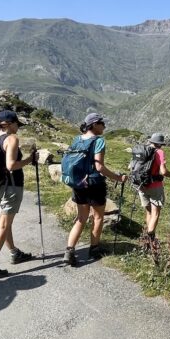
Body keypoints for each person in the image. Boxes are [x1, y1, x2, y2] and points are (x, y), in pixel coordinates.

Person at [64, 113, 127, 266]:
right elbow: (99, 167)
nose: (104, 126)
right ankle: (94, 248)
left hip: (78, 184)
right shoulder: (99, 141)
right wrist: (118, 178)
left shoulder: (77, 139)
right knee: (98, 217)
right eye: (101, 123)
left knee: (81, 218)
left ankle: (69, 251)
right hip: (94, 183)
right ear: (94, 124)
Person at [0, 110, 38, 279]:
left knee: (3, 223)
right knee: (3, 225)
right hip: (11, 187)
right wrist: (30, 159)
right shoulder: (11, 138)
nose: (18, 128)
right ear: (9, 124)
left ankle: (14, 253)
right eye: (17, 124)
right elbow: (11, 165)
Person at [136, 133, 170, 250]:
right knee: (155, 213)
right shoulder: (159, 152)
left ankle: (149, 237)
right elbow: (163, 172)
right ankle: (149, 240)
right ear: (160, 143)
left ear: (151, 141)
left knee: (149, 212)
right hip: (155, 186)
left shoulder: (141, 150)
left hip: (141, 185)